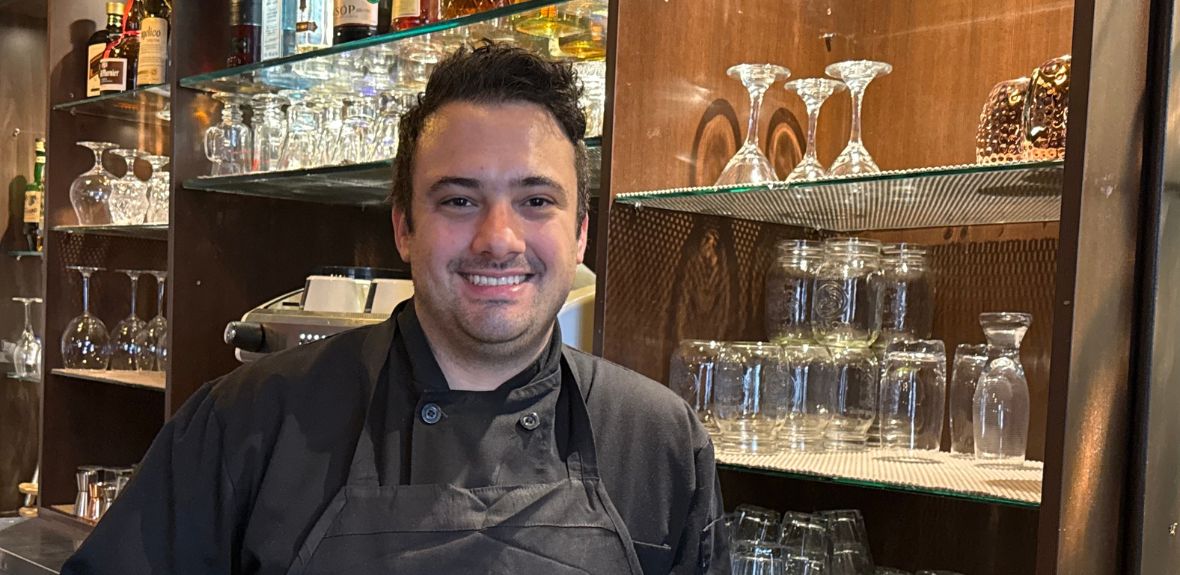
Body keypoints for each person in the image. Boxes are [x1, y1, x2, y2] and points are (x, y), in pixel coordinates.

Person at [63, 43, 727, 574]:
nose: (498, 239)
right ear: (404, 227)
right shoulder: (246, 423)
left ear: (580, 234)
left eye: (536, 201)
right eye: (459, 200)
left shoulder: (659, 443)